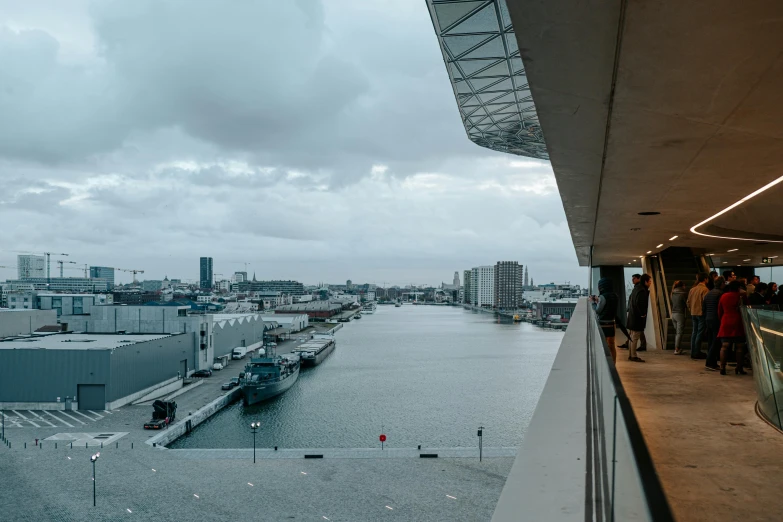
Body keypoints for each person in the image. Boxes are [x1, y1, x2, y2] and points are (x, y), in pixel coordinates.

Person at [717, 281, 748, 375]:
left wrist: (722, 320)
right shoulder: (742, 296)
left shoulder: (723, 296)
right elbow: (747, 308)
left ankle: (722, 367)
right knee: (740, 347)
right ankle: (739, 368)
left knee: (724, 346)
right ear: (739, 287)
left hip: (726, 321)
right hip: (738, 322)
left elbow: (719, 311)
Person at [591, 278, 619, 363]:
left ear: (601, 287)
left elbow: (598, 310)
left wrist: (593, 302)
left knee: (604, 345)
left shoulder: (603, 296)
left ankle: (606, 364)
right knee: (612, 344)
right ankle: (613, 364)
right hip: (611, 322)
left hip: (603, 324)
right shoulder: (615, 295)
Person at [626, 274, 652, 362]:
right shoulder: (642, 290)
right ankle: (633, 356)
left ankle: (631, 355)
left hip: (632, 316)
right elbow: (639, 303)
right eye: (649, 281)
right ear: (645, 281)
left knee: (632, 336)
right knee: (635, 337)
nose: (650, 283)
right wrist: (642, 314)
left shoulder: (636, 288)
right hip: (637, 317)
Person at [703, 276, 726, 370]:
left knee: (711, 341)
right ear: (722, 284)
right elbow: (721, 308)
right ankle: (710, 362)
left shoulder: (709, 293)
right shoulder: (720, 294)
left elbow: (704, 307)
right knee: (716, 342)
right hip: (717, 319)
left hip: (708, 318)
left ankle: (711, 361)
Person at [620, 274, 647, 351]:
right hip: (635, 312)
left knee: (637, 330)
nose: (632, 280)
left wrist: (641, 313)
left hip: (636, 313)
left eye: (634, 278)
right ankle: (628, 343)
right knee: (634, 330)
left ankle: (640, 346)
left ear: (639, 279)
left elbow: (638, 302)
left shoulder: (639, 288)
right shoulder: (637, 288)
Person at [686, 273, 710, 359]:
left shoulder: (692, 289)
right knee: (700, 333)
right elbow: (706, 302)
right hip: (701, 314)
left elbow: (688, 302)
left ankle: (693, 351)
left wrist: (691, 309)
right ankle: (697, 352)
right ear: (705, 279)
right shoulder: (705, 290)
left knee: (694, 332)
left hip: (693, 313)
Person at [670, 280, 688, 355]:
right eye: (684, 285)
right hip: (680, 314)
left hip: (673, 314)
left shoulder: (672, 293)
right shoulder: (683, 294)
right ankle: (677, 349)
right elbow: (686, 303)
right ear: (682, 286)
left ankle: (678, 348)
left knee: (677, 333)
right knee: (679, 333)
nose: (685, 287)